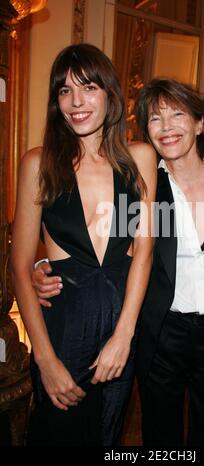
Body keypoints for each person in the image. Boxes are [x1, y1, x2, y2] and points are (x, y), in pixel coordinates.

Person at [32, 78, 204, 446]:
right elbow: (109, 247)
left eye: (178, 114)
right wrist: (42, 267)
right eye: (155, 119)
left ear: (200, 123)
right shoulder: (143, 186)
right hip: (162, 334)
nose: (167, 127)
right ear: (146, 131)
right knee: (161, 439)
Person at [10, 43, 156, 446]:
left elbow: (145, 249)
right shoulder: (39, 163)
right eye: (64, 91)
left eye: (88, 87)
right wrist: (45, 360)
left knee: (107, 435)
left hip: (121, 324)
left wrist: (124, 335)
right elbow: (21, 265)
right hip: (63, 329)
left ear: (110, 94)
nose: (76, 102)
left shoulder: (140, 158)